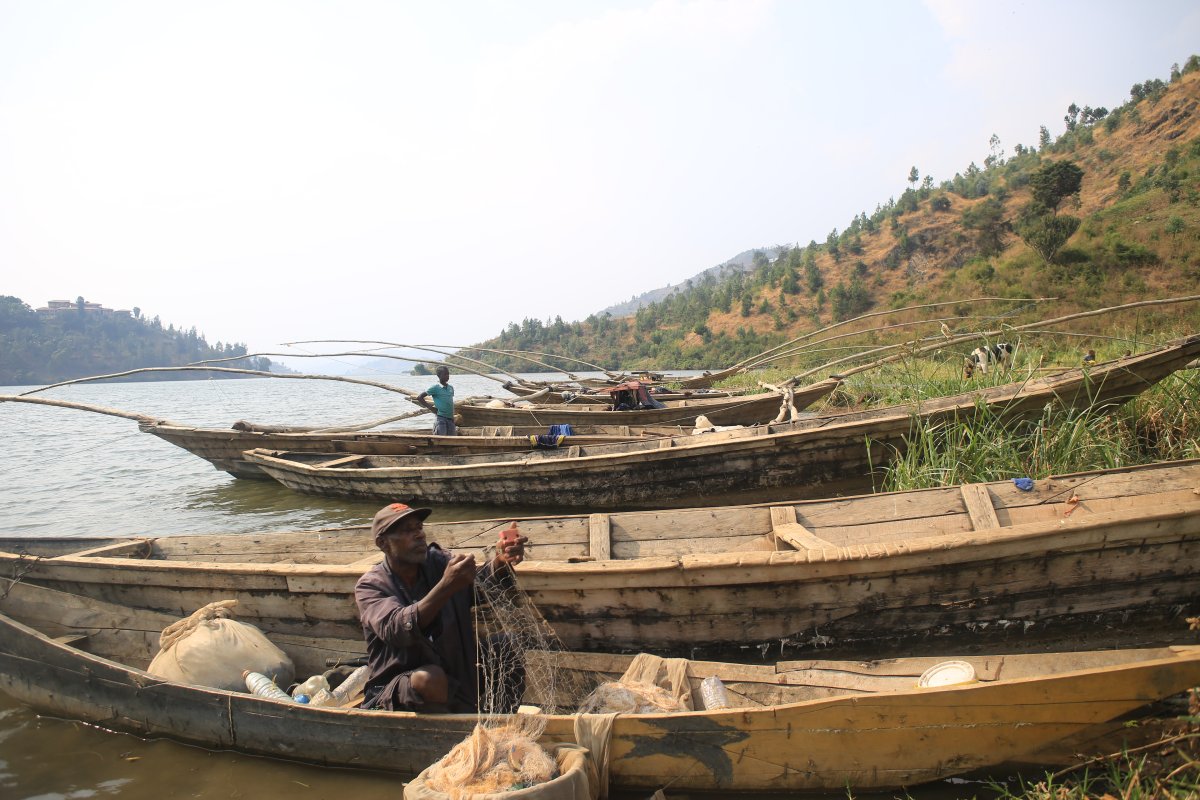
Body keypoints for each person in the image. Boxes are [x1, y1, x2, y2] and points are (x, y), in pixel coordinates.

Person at [353, 502, 528, 713]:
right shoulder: (371, 586)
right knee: (429, 679)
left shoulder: (437, 561)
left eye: (419, 528)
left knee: (507, 645)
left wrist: (501, 562)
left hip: (455, 669)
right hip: (400, 688)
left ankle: (499, 724)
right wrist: (445, 586)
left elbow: (479, 586)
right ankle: (446, 735)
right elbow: (397, 629)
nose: (419, 535)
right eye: (408, 531)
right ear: (383, 543)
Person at [418, 366, 456, 435]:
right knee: (440, 439)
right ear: (439, 375)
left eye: (448, 374)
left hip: (450, 418)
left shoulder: (451, 388)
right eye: (445, 374)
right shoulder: (435, 387)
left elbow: (450, 402)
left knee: (452, 440)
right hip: (441, 418)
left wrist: (453, 416)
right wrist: (431, 408)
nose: (447, 376)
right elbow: (420, 397)